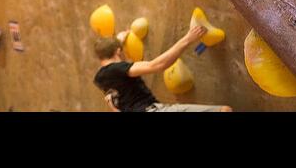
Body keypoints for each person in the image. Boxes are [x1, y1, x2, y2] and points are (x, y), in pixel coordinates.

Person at [93, 25, 233, 112]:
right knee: (224, 111)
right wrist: (188, 39)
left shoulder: (100, 79)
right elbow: (157, 65)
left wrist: (119, 40)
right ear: (118, 52)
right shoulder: (117, 68)